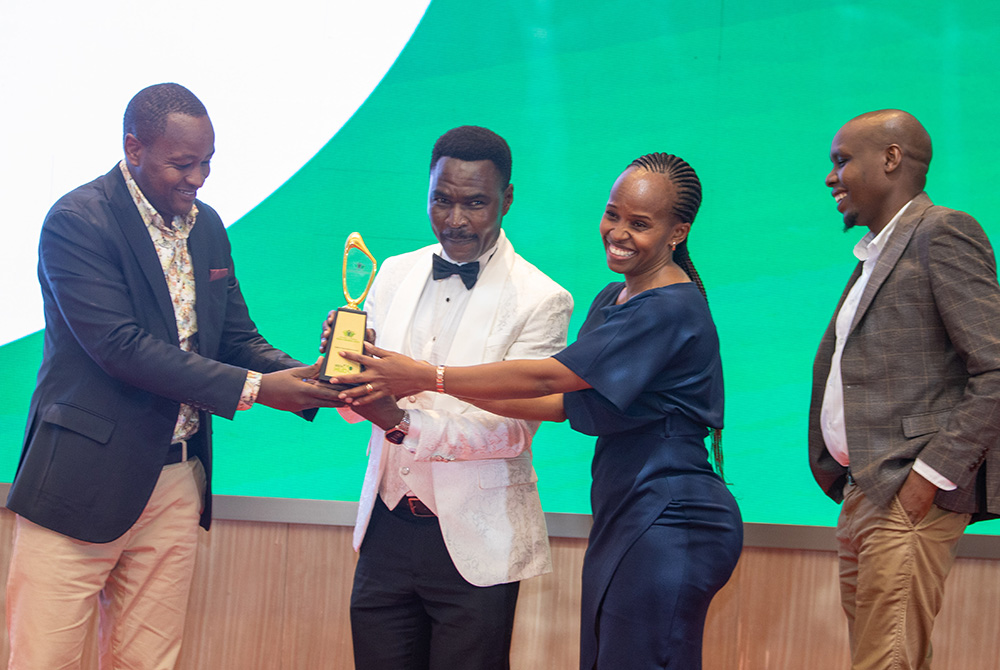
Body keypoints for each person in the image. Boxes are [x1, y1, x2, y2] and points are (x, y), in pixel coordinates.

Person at [330, 153, 743, 670]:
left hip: (671, 512)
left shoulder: (669, 307)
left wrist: (427, 377)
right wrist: (365, 372)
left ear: (677, 232)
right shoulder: (613, 298)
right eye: (612, 214)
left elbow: (550, 378)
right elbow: (558, 405)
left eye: (640, 224)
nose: (618, 232)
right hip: (626, 506)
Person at [5, 83, 346, 670]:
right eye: (183, 164)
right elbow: (120, 347)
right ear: (133, 148)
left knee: (149, 662)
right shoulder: (77, 221)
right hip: (81, 482)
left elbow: (236, 338)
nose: (199, 179)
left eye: (208, 162)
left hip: (176, 480)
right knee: (44, 659)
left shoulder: (206, 226)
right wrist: (258, 390)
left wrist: (311, 377)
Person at [321, 125, 573, 670]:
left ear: (507, 199)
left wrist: (401, 422)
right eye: (442, 200)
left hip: (478, 541)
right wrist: (340, 371)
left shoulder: (542, 299)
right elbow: (353, 410)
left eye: (475, 203)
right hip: (386, 529)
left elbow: (513, 431)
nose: (455, 219)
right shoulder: (393, 273)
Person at [809, 109, 1000, 669]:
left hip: (906, 491)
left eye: (842, 161)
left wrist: (929, 477)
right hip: (866, 489)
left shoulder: (943, 232)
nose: (831, 177)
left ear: (891, 159)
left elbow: (995, 368)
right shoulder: (877, 253)